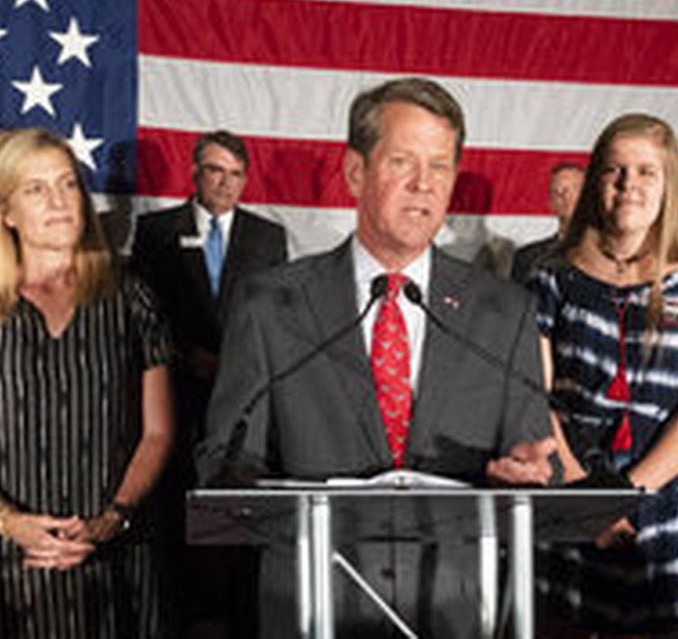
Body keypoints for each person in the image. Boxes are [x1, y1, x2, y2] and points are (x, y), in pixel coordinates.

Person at [196, 77, 554, 638]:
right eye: (402, 162)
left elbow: (534, 457)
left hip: (453, 608)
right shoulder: (271, 306)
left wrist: (529, 472)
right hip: (313, 604)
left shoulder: (503, 312)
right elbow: (226, 458)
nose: (423, 184)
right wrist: (248, 489)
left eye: (439, 167)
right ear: (355, 173)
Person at [0, 128, 176, 639]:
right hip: (3, 562)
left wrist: (114, 516)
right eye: (36, 189)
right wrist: (7, 519)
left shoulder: (131, 300)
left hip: (112, 557)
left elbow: (157, 432)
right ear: (5, 210)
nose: (58, 201)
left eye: (67, 184)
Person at [529, 113, 678, 636]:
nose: (629, 185)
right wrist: (585, 501)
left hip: (666, 501)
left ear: (669, 184)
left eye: (646, 171)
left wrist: (623, 495)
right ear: (596, 179)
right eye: (615, 170)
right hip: (573, 493)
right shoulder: (552, 275)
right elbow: (534, 394)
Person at [131, 130, 287, 637]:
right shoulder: (156, 231)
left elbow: (278, 320)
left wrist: (236, 364)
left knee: (237, 510)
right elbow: (141, 311)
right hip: (174, 393)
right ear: (195, 173)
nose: (226, 183)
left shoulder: (267, 237)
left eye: (236, 174)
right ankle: (180, 618)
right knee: (176, 509)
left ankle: (237, 618)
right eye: (216, 171)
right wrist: (186, 356)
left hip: (243, 403)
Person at [510, 162, 583, 283]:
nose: (565, 196)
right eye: (557, 191)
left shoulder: (611, 255)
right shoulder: (527, 259)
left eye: (574, 189)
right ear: (551, 203)